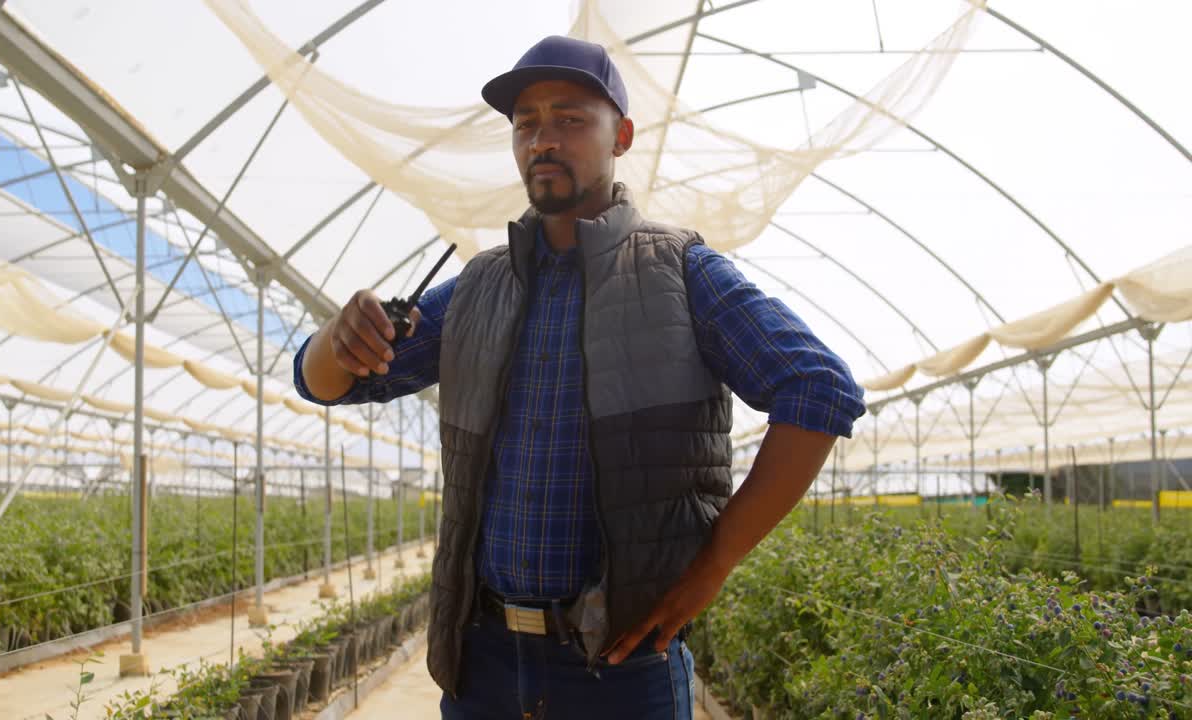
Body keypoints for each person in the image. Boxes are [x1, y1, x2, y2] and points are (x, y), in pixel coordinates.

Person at [294, 34, 865, 720]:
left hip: (621, 672)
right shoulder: (478, 288)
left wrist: (713, 565)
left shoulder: (679, 273)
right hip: (483, 665)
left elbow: (820, 388)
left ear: (620, 135)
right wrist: (340, 336)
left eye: (570, 119)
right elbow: (328, 383)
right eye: (526, 123)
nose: (543, 140)